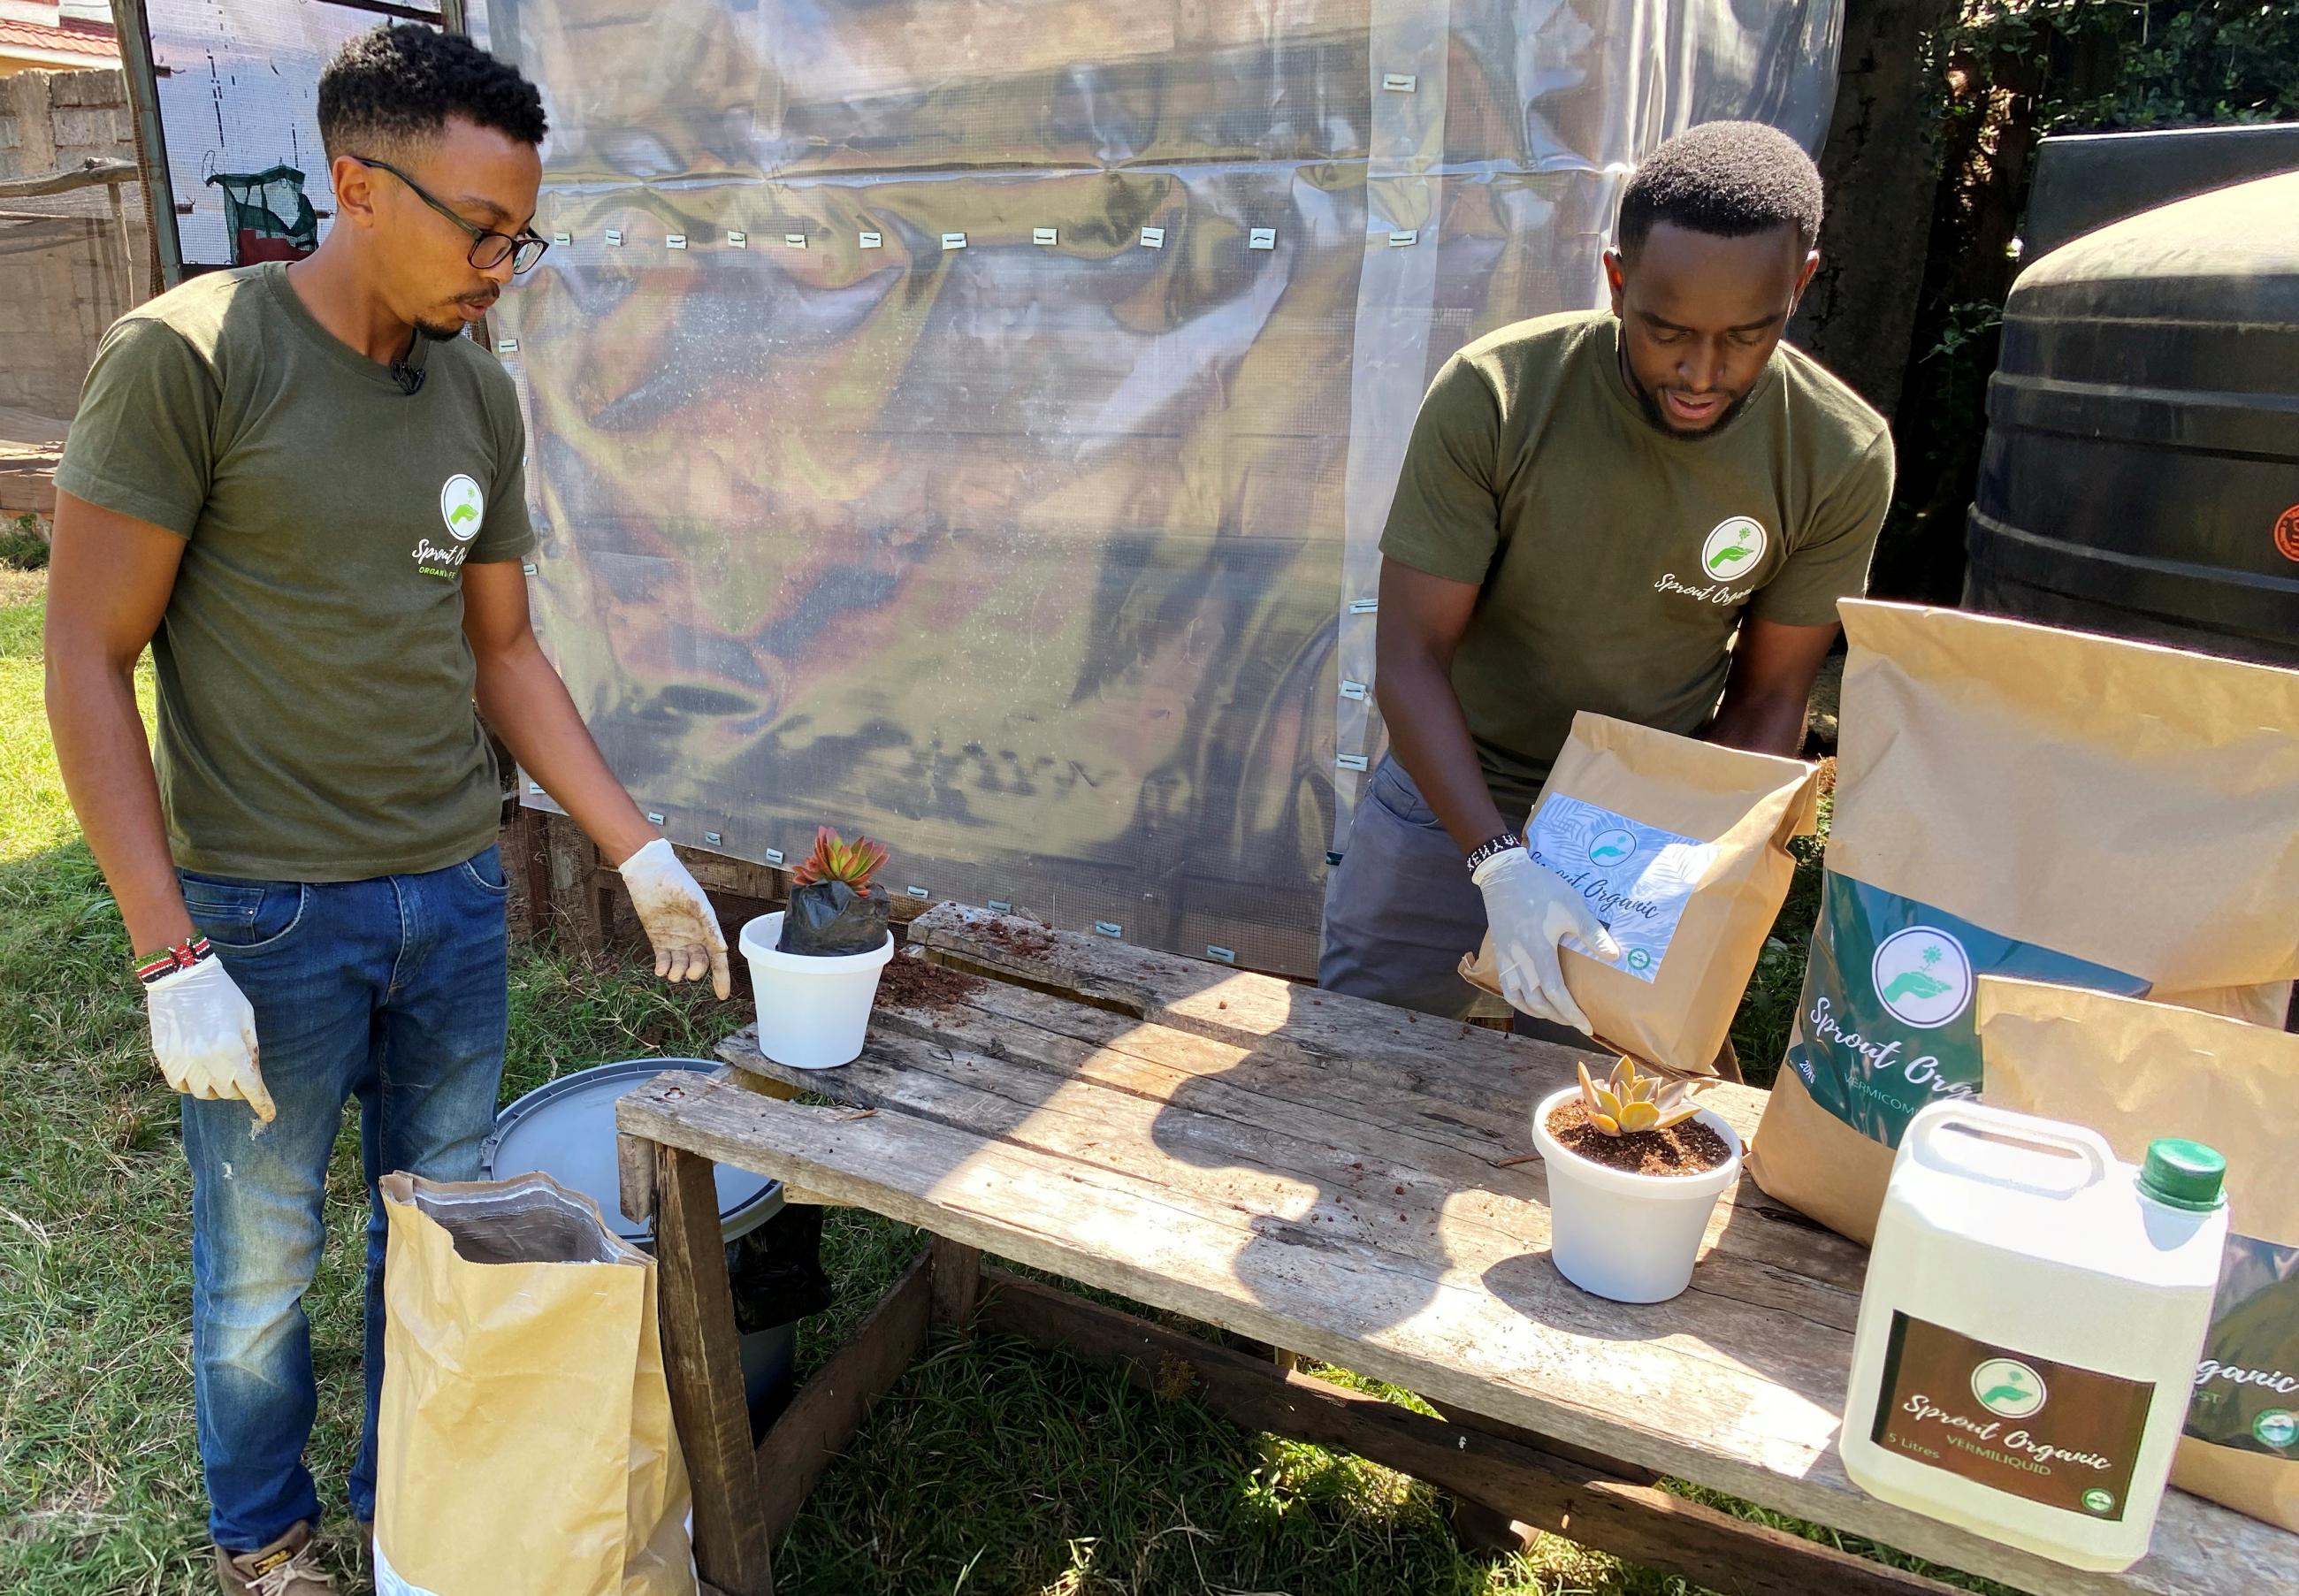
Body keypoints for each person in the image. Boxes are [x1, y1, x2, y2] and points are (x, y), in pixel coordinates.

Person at [42, 25, 729, 1594]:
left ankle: (409, 1494)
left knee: (442, 1228)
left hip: (452, 897)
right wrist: (168, 956)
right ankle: (267, 1541)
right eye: (481, 230)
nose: (506, 264)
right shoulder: (193, 357)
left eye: (521, 233)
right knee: (262, 1262)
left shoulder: (476, 397)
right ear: (359, 187)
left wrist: (641, 850)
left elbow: (502, 653)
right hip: (267, 916)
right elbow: (83, 653)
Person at [1320, 120, 1893, 1044]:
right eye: (1664, 330)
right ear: (1616, 279)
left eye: (1747, 335)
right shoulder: (1498, 394)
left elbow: (1771, 692)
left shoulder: (1835, 452)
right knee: (1353, 1057)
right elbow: (1410, 657)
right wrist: (1498, 863)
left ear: (1801, 285)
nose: (1700, 373)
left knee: (1578, 1113)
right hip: (1451, 784)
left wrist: (1685, 867)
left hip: (1638, 824)